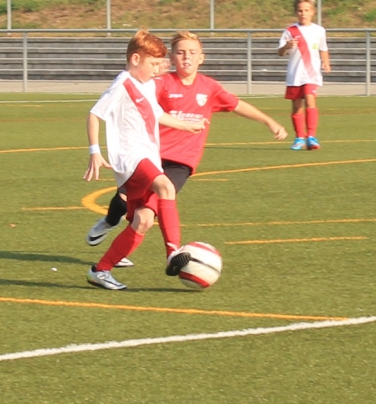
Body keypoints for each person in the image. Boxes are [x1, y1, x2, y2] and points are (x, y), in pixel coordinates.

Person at [85, 30, 288, 252]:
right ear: (172, 58)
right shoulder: (161, 83)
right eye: (180, 52)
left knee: (152, 205)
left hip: (180, 162)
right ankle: (111, 222)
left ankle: (162, 252)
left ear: (201, 57)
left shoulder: (209, 87)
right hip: (151, 154)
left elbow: (237, 105)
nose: (186, 57)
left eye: (192, 52)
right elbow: (139, 92)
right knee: (124, 199)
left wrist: (269, 122)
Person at [83, 29, 207, 291]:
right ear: (136, 59)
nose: (156, 69)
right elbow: (94, 114)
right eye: (152, 63)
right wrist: (95, 151)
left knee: (143, 221)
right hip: (130, 156)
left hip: (147, 155)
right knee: (166, 187)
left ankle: (100, 271)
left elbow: (158, 115)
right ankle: (173, 252)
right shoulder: (123, 83)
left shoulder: (147, 85)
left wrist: (187, 126)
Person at [278, 0, 330, 150]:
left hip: (311, 73)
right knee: (296, 106)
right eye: (300, 10)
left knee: (310, 100)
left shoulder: (319, 30)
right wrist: (287, 46)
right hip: (295, 74)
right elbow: (280, 52)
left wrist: (326, 62)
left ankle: (311, 137)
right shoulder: (290, 31)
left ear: (312, 12)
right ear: (296, 12)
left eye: (307, 10)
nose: (303, 13)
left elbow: (323, 48)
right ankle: (299, 137)